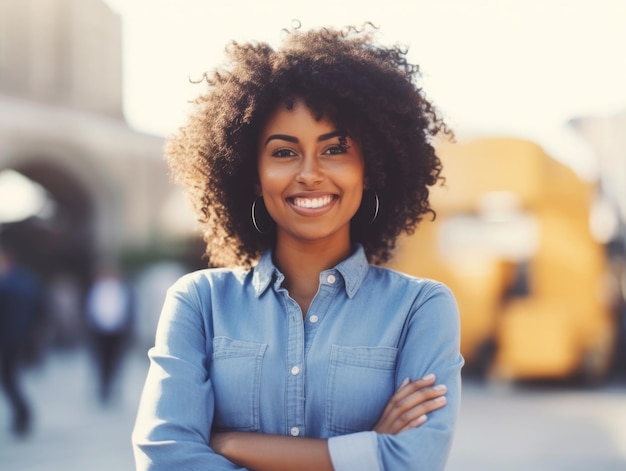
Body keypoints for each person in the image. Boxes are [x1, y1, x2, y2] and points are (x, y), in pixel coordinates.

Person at [132, 23, 464, 471]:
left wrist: (231, 444)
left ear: (371, 170)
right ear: (253, 174)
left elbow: (413, 463)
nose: (309, 173)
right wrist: (366, 451)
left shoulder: (420, 308)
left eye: (335, 149)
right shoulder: (199, 302)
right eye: (284, 152)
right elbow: (166, 460)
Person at [0, 243, 44, 437]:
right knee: (11, 380)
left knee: (9, 381)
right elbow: (41, 309)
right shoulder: (27, 280)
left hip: (10, 340)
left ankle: (23, 416)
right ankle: (22, 417)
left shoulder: (8, 283)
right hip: (22, 338)